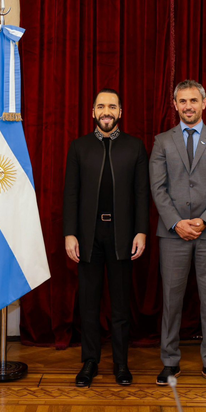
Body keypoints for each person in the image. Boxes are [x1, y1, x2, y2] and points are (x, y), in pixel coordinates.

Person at [149, 79, 206, 388]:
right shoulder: (162, 141)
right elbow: (157, 189)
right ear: (175, 105)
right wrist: (177, 223)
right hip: (172, 234)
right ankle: (170, 363)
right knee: (171, 300)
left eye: (193, 101)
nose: (188, 106)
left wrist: (203, 220)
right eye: (182, 101)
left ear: (204, 103)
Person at [63, 88, 149, 387]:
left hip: (123, 236)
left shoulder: (135, 147)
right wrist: (70, 233)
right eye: (101, 106)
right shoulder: (79, 147)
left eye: (112, 106)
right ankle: (90, 362)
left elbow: (142, 193)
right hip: (88, 236)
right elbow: (70, 194)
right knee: (89, 304)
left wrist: (141, 230)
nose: (106, 111)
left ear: (120, 112)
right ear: (93, 113)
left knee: (121, 306)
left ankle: (122, 365)